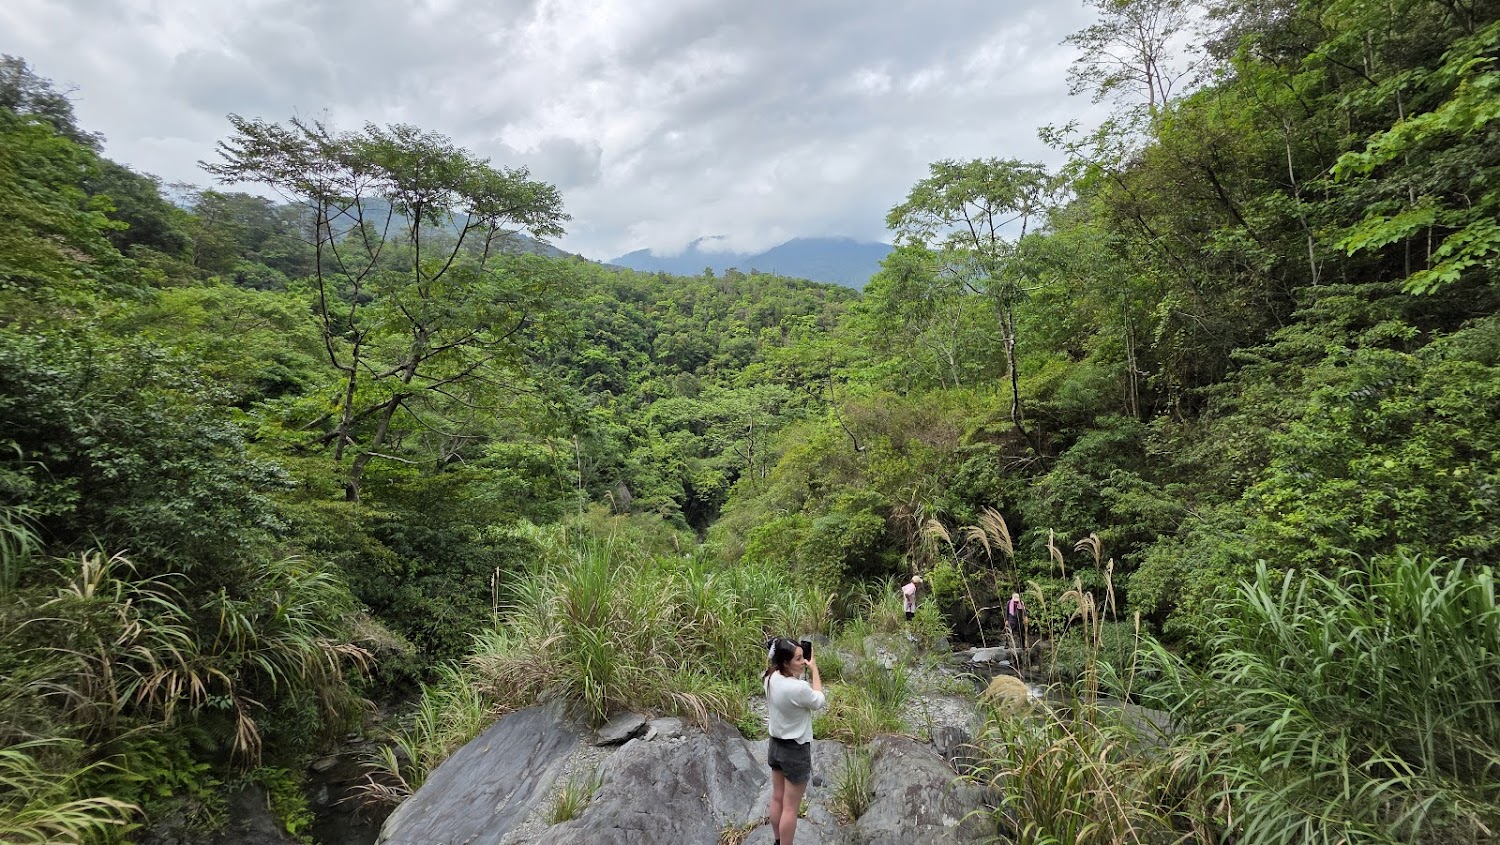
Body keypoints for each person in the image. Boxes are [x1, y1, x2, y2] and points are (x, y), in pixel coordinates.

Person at [764, 637, 824, 845]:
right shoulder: (798, 689)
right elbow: (818, 700)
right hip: (795, 751)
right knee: (790, 807)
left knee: (777, 797)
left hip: (775, 746)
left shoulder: (770, 677)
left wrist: (800, 673)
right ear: (785, 662)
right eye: (798, 658)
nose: (803, 661)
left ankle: (777, 840)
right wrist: (814, 669)